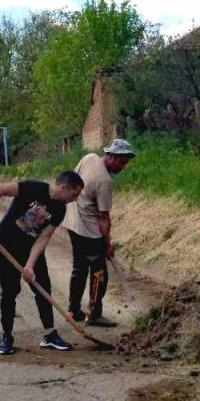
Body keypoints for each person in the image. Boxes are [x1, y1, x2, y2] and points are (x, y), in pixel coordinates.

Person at [0, 171, 85, 355]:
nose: (74, 199)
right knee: (10, 292)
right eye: (74, 195)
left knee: (43, 289)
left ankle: (49, 335)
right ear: (65, 188)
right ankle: (7, 335)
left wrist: (30, 265)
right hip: (6, 246)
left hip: (31, 249)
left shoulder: (60, 209)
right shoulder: (33, 188)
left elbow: (44, 237)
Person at [63, 139, 137, 327]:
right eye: (121, 162)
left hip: (72, 222)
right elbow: (103, 218)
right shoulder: (105, 181)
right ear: (111, 156)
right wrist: (107, 246)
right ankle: (94, 314)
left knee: (79, 268)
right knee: (99, 273)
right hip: (89, 230)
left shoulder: (89, 158)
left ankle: (73, 310)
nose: (123, 167)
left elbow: (73, 180)